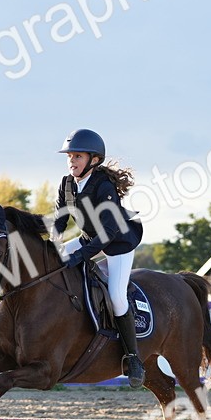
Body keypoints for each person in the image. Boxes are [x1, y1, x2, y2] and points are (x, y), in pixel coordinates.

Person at [53, 128, 145, 388]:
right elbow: (60, 219)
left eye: (77, 156)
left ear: (94, 160)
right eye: (69, 156)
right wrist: (54, 242)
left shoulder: (103, 186)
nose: (72, 161)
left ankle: (133, 357)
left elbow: (108, 233)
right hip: (89, 237)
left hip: (117, 241)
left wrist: (80, 256)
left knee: (116, 295)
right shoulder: (67, 183)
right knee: (53, 261)